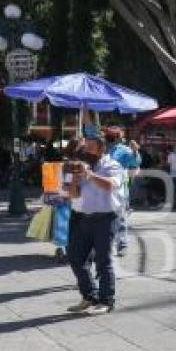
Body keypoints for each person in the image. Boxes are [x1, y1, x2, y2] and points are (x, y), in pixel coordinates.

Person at [66, 134, 125, 315]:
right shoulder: (80, 166)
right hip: (82, 218)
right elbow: (73, 195)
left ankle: (107, 300)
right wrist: (75, 179)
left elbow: (110, 186)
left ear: (102, 149)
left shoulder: (112, 165)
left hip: (105, 218)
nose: (86, 150)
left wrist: (89, 175)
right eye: (85, 147)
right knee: (76, 257)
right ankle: (89, 295)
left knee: (103, 261)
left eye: (90, 147)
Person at [104, 126, 141, 257]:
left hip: (119, 190)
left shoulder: (124, 150)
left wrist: (135, 151)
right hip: (103, 189)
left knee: (120, 218)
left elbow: (135, 162)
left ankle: (122, 244)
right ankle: (106, 244)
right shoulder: (102, 148)